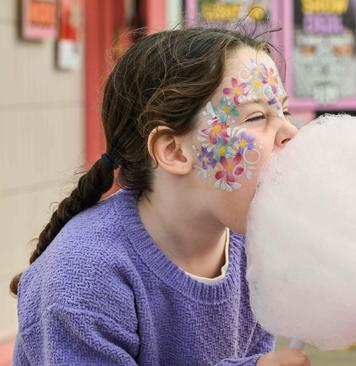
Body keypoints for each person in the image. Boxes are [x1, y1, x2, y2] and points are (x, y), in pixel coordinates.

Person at [10, 28, 310, 366]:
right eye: (256, 117)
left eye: (283, 112)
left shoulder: (254, 251)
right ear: (174, 151)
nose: (291, 132)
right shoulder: (85, 272)